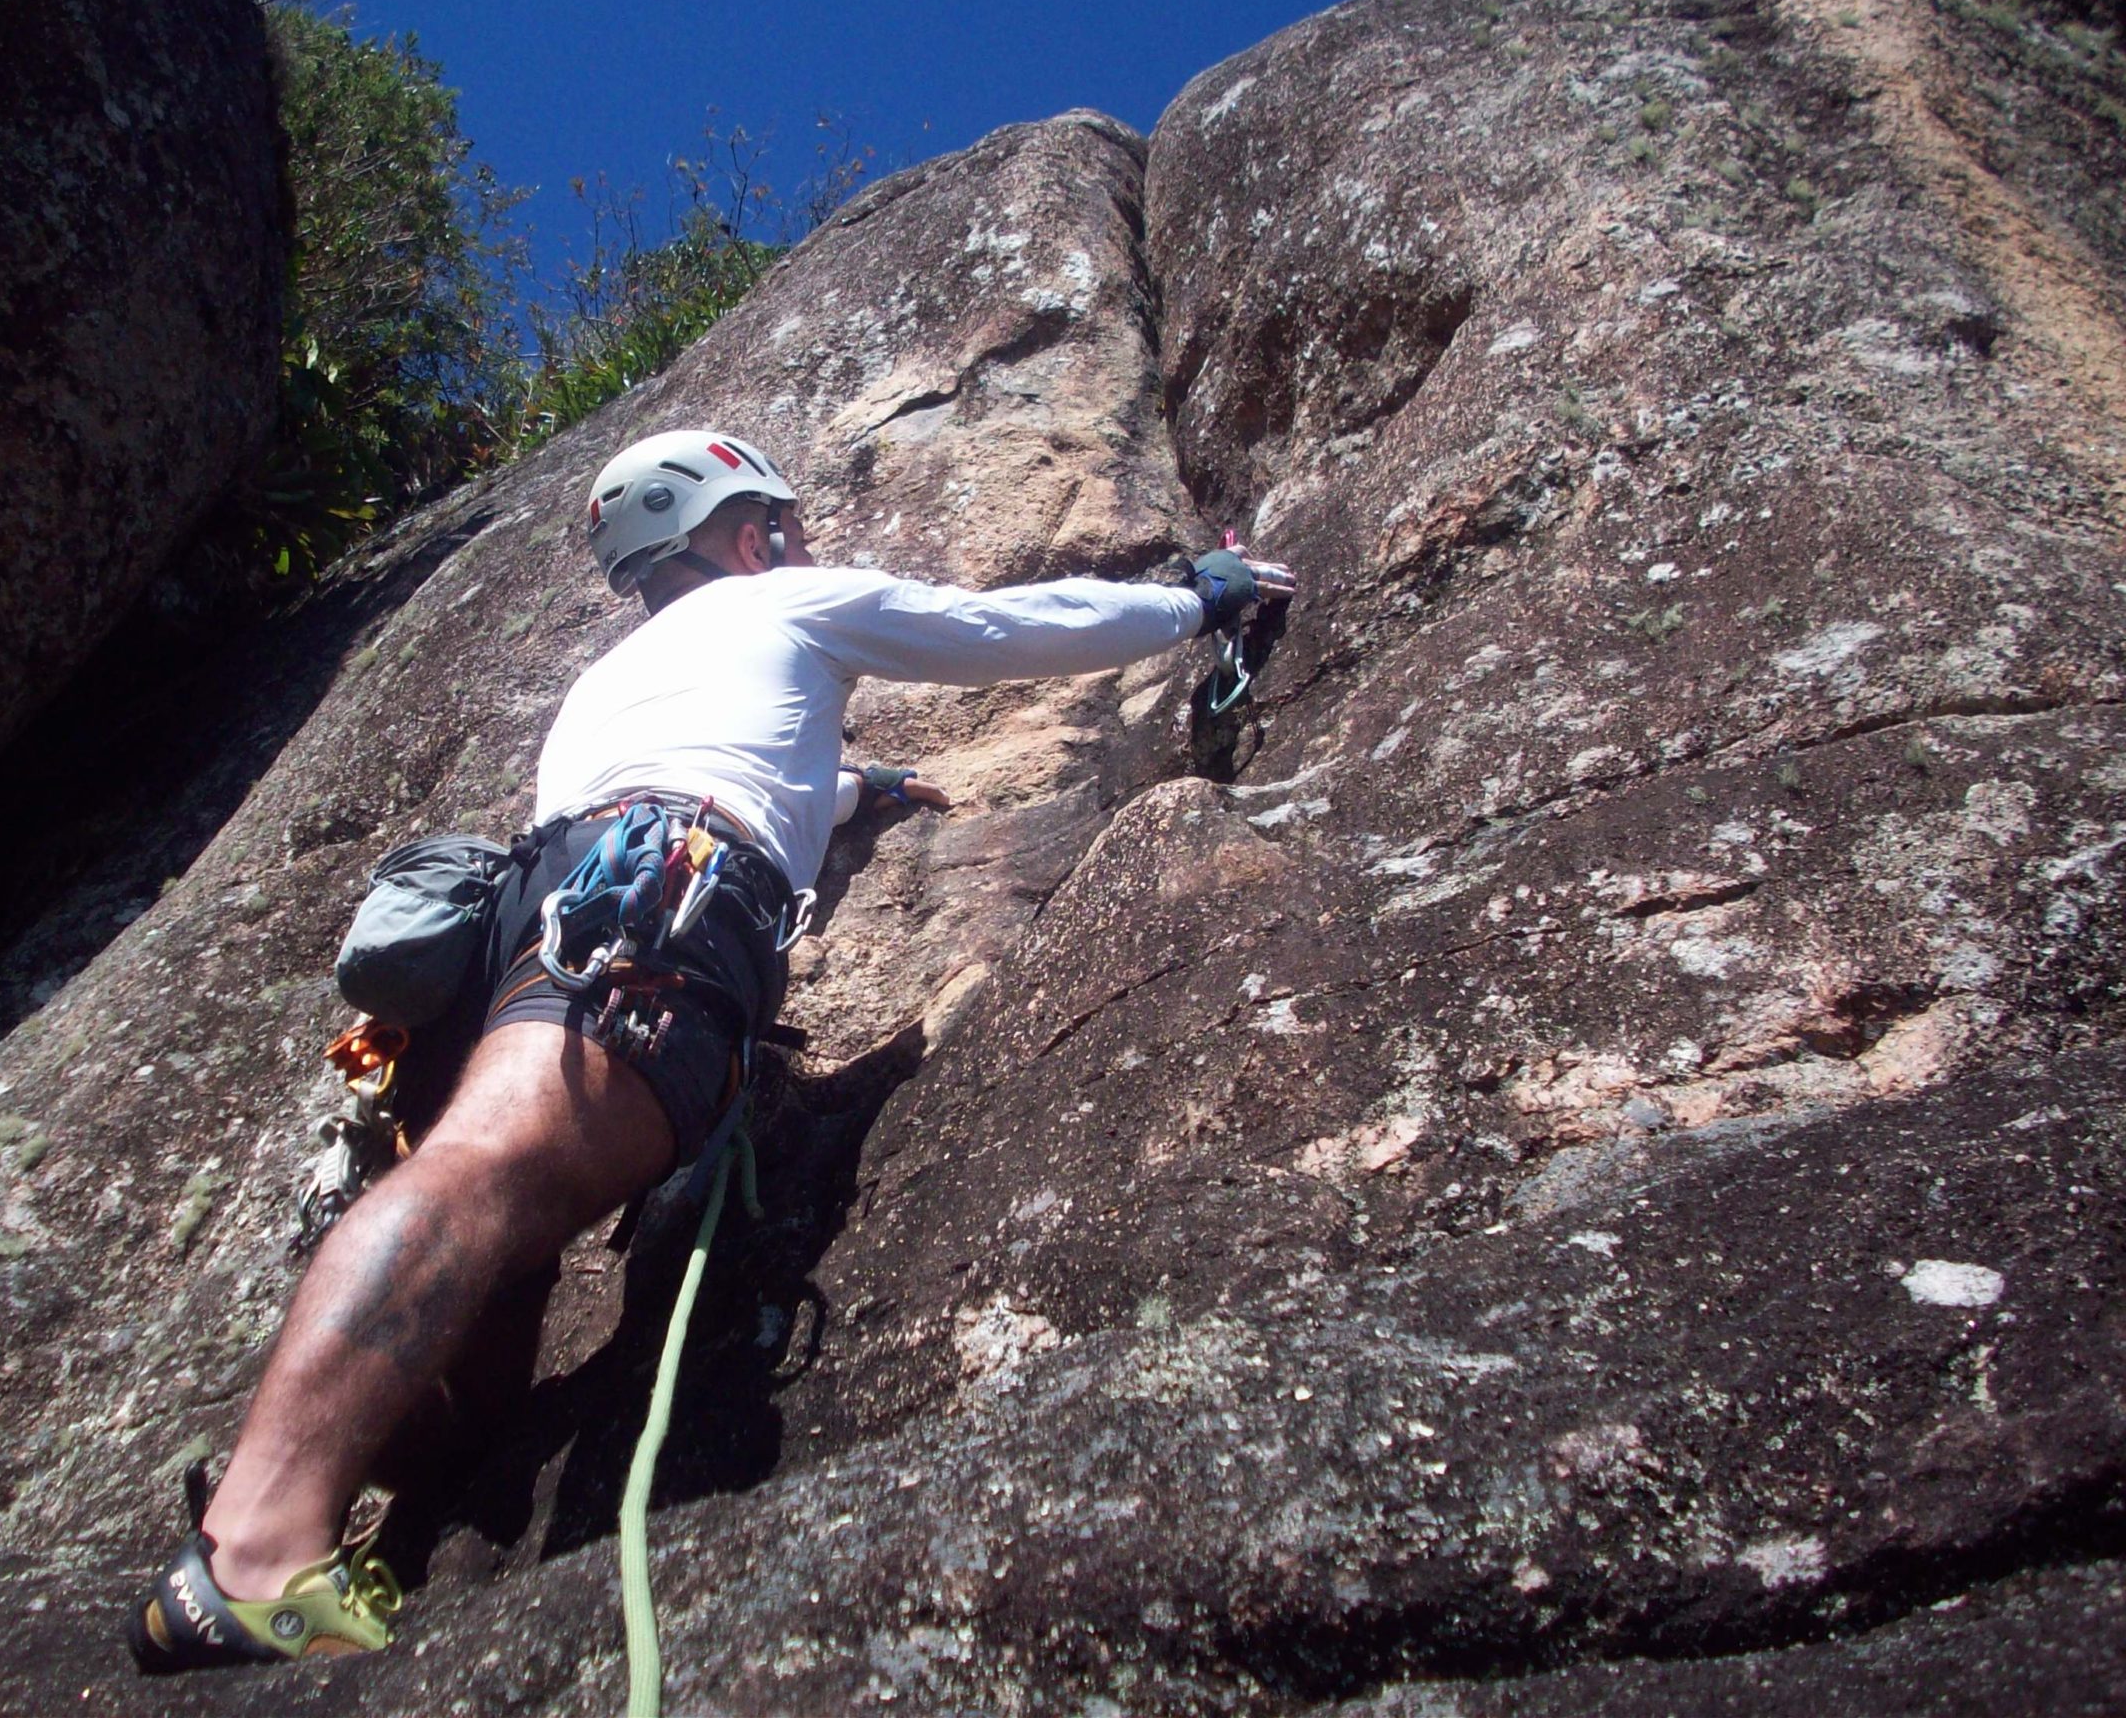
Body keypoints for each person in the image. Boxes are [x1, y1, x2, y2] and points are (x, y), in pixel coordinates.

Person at [127, 429, 1294, 1670]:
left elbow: (719, 758)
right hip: (653, 909)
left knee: (494, 1293)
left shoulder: (612, 682)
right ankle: (250, 1559)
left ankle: (363, 1539)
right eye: (783, 530)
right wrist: (1188, 599)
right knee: (480, 1181)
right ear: (748, 539)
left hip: (540, 919)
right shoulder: (785, 602)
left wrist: (854, 792)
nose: (800, 549)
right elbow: (1001, 628)